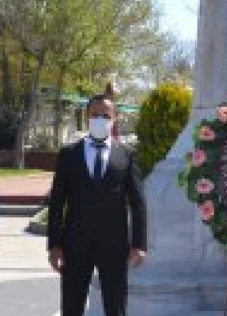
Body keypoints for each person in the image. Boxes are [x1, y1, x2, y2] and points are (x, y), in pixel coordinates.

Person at [48, 94, 147, 316]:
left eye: (105, 115)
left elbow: (138, 202)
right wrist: (54, 244)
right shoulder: (69, 154)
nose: (100, 119)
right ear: (87, 117)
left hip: (114, 244)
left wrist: (139, 244)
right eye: (95, 115)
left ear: (115, 118)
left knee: (116, 306)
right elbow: (56, 202)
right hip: (75, 244)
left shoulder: (127, 154)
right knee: (72, 306)